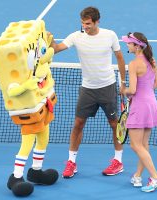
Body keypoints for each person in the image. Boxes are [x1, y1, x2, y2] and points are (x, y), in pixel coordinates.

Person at [50, 6, 126, 178]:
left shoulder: (110, 35)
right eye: (83, 23)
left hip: (107, 86)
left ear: (97, 21)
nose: (85, 26)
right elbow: (56, 48)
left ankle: (118, 161)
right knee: (78, 124)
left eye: (89, 23)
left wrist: (123, 82)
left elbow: (120, 58)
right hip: (87, 89)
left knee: (115, 124)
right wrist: (47, 39)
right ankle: (71, 162)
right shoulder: (76, 36)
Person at [121, 32, 157, 192]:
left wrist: (123, 91)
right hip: (151, 105)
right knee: (143, 144)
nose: (127, 45)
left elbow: (132, 90)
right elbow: (156, 84)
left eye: (129, 43)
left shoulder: (134, 64)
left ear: (137, 46)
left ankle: (156, 178)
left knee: (135, 145)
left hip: (140, 107)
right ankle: (138, 176)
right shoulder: (152, 61)